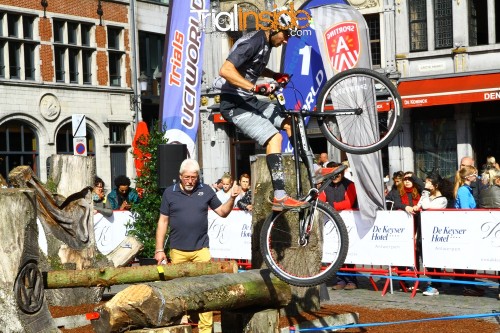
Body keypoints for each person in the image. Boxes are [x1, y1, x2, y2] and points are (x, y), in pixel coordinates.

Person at [218, 10, 308, 212]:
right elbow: (225, 70)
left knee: (289, 122)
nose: (285, 41)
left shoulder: (266, 44)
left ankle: (309, 170)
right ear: (275, 29)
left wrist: (275, 75)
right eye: (285, 35)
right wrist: (254, 87)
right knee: (275, 138)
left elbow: (253, 68)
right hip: (234, 104)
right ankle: (279, 196)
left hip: (248, 99)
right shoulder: (252, 42)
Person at [154, 159, 240, 333]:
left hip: (201, 250)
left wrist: (232, 198)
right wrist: (159, 249)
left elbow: (222, 212)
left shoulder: (206, 190)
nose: (190, 181)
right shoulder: (169, 193)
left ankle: (206, 330)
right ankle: (183, 327)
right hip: (178, 251)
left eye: (193, 177)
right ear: (180, 176)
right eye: (187, 177)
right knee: (179, 291)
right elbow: (163, 221)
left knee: (206, 290)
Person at [318, 162, 358, 290]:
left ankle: (351, 280)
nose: (336, 176)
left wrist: (331, 206)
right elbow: (320, 200)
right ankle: (340, 279)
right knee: (335, 251)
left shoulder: (350, 185)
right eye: (333, 173)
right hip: (331, 223)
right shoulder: (325, 186)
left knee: (349, 251)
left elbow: (349, 202)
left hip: (348, 222)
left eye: (338, 173)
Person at [414, 174, 450, 296]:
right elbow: (419, 205)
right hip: (424, 231)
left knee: (433, 258)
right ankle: (435, 281)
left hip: (435, 233)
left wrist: (424, 195)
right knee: (426, 257)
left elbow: (426, 206)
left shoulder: (442, 200)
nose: (426, 185)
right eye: (426, 182)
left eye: (429, 182)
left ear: (435, 185)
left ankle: (435, 284)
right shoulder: (427, 196)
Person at [453, 165, 485, 296]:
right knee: (469, 257)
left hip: (469, 226)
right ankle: (467, 285)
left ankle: (470, 283)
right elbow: (465, 209)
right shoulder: (463, 191)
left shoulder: (466, 189)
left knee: (472, 257)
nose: (476, 177)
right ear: (468, 177)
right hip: (466, 227)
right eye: (474, 174)